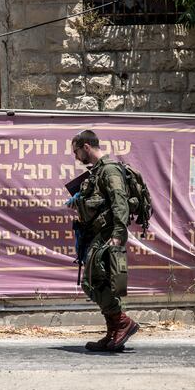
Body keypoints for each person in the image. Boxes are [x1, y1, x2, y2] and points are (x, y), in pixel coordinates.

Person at [68, 129, 139, 352]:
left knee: (91, 282)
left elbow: (120, 203)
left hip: (109, 234)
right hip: (98, 234)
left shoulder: (109, 171)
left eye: (76, 151)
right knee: (100, 282)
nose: (76, 156)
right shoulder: (97, 173)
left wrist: (118, 234)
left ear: (86, 147)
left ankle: (122, 323)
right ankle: (113, 332)